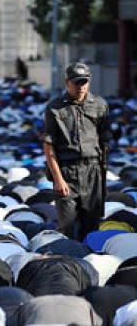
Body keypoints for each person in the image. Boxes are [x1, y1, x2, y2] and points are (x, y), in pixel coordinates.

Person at [42, 62, 111, 242]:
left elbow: (105, 141)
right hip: (67, 172)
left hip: (93, 172)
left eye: (84, 82)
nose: (81, 86)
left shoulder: (99, 105)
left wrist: (102, 175)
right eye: (77, 83)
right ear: (67, 83)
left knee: (91, 226)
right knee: (67, 225)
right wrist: (58, 179)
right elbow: (49, 145)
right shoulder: (55, 107)